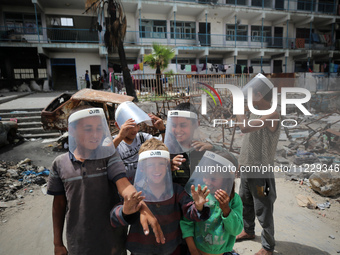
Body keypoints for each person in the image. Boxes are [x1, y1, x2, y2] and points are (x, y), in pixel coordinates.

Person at [47, 106, 165, 255]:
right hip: (79, 243)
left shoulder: (109, 156)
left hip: (113, 242)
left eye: (99, 128)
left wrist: (139, 204)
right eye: (88, 129)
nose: (96, 134)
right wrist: (57, 243)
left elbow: (123, 184)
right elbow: (59, 205)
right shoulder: (59, 164)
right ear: (72, 130)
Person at [110, 138, 211, 255]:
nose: (156, 169)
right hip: (141, 250)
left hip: (171, 249)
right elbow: (114, 218)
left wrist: (198, 206)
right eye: (150, 164)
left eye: (161, 163)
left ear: (168, 165)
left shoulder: (176, 190)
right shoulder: (135, 191)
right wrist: (125, 211)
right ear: (142, 167)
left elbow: (190, 213)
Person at [235, 74, 280, 255]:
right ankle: (248, 230)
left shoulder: (272, 114)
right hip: (247, 167)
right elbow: (248, 141)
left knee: (264, 207)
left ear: (260, 95)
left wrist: (238, 107)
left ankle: (268, 246)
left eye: (251, 92)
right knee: (245, 201)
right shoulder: (255, 109)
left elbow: (244, 127)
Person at [181, 151, 243, 255]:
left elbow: (236, 231)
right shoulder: (198, 195)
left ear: (226, 179)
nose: (207, 182)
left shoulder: (234, 200)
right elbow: (186, 224)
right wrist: (193, 251)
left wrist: (226, 210)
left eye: (213, 179)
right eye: (205, 176)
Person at [166, 102, 237, 187]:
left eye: (183, 125)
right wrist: (168, 167)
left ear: (196, 124)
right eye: (174, 125)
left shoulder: (203, 150)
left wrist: (213, 148)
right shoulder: (168, 151)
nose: (177, 130)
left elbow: (233, 162)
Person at [113, 101, 166, 183]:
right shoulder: (113, 142)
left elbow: (163, 147)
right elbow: (104, 154)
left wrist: (162, 130)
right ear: (118, 125)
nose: (135, 130)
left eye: (137, 125)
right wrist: (120, 137)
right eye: (130, 126)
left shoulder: (143, 138)